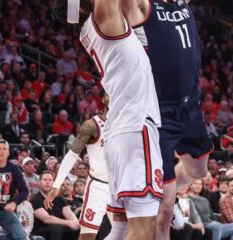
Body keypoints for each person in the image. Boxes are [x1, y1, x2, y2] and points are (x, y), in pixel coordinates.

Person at [53, 0, 163, 239]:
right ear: (82, 8)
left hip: (121, 131)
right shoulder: (104, 18)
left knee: (121, 229)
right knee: (144, 228)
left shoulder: (97, 25)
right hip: (134, 127)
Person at [122, 0, 214, 238]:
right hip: (160, 111)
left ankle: (169, 193)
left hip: (190, 104)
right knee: (162, 216)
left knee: (199, 170)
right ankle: (167, 195)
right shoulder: (142, 6)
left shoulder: (179, 3)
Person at [45, 94, 111, 240]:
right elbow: (72, 155)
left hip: (121, 187)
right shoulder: (91, 125)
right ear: (102, 99)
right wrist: (56, 185)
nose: (114, 94)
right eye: (109, 92)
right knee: (87, 236)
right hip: (98, 188)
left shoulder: (127, 123)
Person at [0, 139, 28, 240]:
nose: (2, 151)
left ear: (8, 153)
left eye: (4, 149)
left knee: (21, 236)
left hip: (4, 210)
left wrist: (14, 203)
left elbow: (24, 191)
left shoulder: (14, 169)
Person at [30, 170, 80, 240]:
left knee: (77, 229)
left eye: (50, 180)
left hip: (59, 228)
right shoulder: (34, 200)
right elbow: (47, 219)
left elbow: (69, 214)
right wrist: (68, 223)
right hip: (41, 230)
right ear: (39, 183)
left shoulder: (59, 198)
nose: (47, 182)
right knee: (57, 229)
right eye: (45, 180)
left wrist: (75, 222)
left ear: (53, 183)